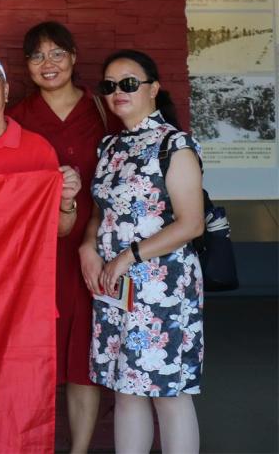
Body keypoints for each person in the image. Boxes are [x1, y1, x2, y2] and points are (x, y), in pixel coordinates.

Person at [81, 50, 204, 454]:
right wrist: (88, 245)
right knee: (126, 388)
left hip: (162, 286)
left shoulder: (175, 143)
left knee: (168, 392)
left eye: (129, 83)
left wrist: (127, 257)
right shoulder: (109, 146)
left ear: (153, 89)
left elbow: (191, 223)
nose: (119, 91)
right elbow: (101, 213)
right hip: (115, 287)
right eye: (110, 85)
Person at [8, 21, 122, 454]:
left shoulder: (103, 111)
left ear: (74, 57)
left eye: (57, 53)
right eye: (37, 56)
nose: (48, 63)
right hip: (37, 254)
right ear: (27, 66)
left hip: (97, 250)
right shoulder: (17, 118)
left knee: (82, 357)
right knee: (32, 354)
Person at [0, 47, 81, 236]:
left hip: (19, 256)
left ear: (6, 90)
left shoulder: (38, 149)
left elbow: (60, 230)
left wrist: (66, 201)